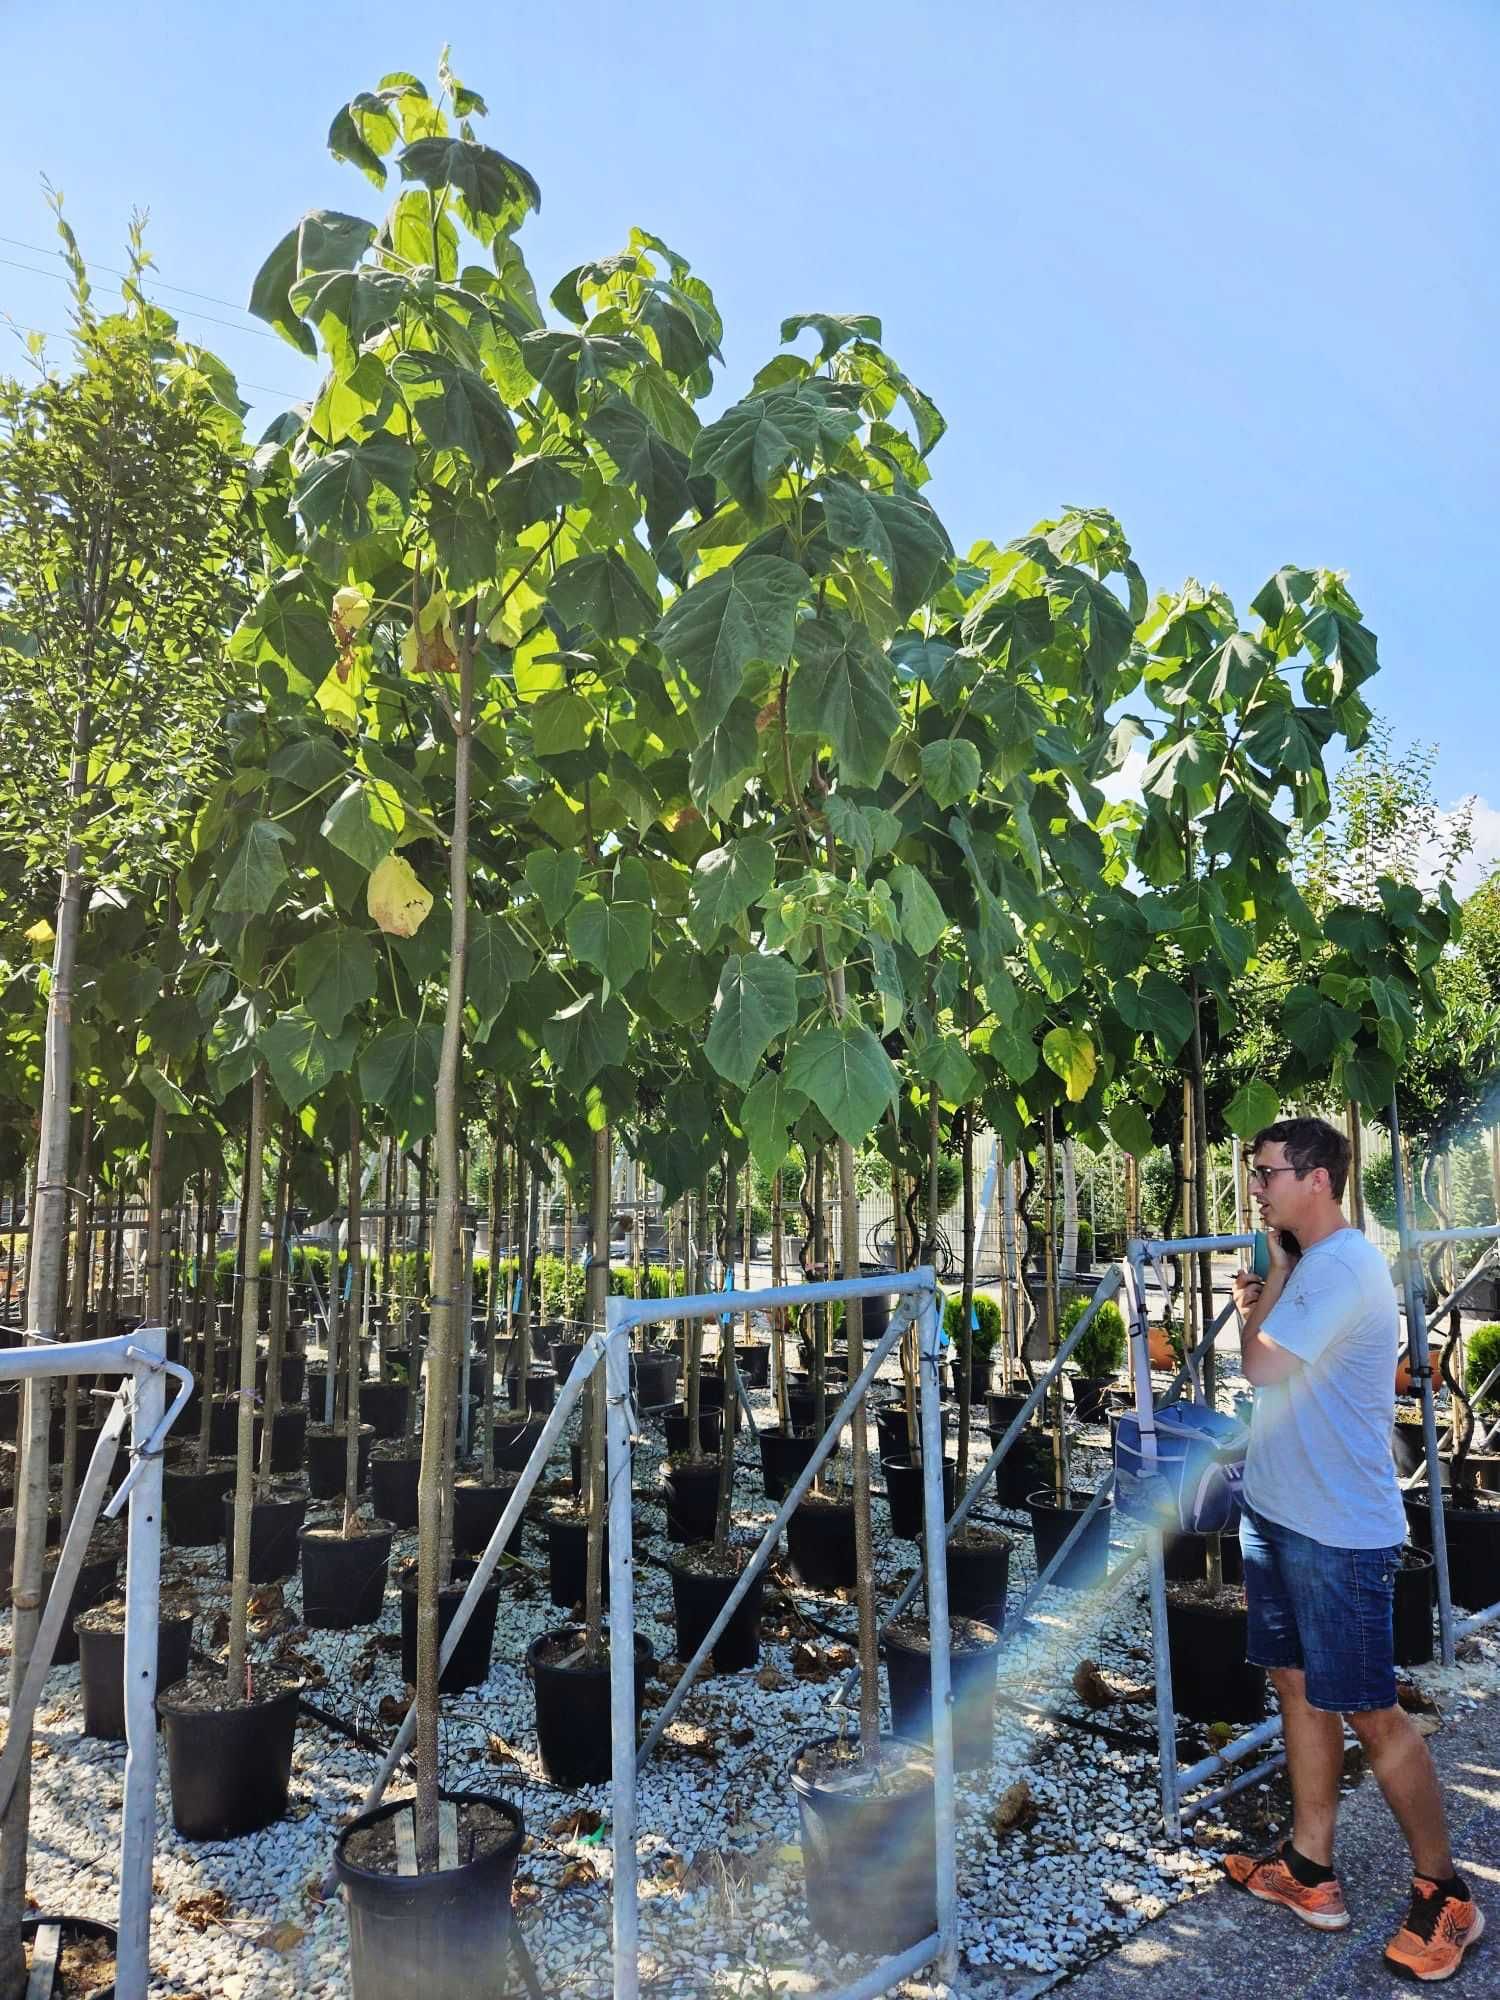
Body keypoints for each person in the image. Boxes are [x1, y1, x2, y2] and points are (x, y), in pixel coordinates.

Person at [1220, 1116, 1485, 1981]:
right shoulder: (1310, 1262)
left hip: (1337, 1531)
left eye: (1267, 1172)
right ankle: (1308, 1869)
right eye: (1254, 1171)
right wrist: (1271, 1282)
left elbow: (1259, 1367)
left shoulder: (1342, 1268)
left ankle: (1446, 1894)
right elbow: (1270, 1361)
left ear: (1320, 1178)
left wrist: (1253, 1308)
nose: (1256, 1185)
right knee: (1295, 1684)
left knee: (1371, 1708)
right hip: (1279, 1508)